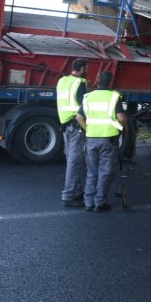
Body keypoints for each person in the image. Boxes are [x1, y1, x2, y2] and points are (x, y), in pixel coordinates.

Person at [76, 71, 127, 212]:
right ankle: (99, 203)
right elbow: (121, 118)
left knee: (92, 172)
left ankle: (88, 203)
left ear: (97, 81)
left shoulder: (88, 97)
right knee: (105, 171)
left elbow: (79, 118)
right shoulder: (114, 96)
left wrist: (88, 129)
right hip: (108, 139)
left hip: (91, 139)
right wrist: (125, 128)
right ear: (110, 82)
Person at [57, 58, 88, 207]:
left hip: (65, 123)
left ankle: (77, 191)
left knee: (71, 158)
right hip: (76, 125)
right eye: (86, 68)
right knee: (75, 161)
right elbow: (84, 106)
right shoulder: (80, 83)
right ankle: (68, 196)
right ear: (82, 69)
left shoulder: (62, 81)